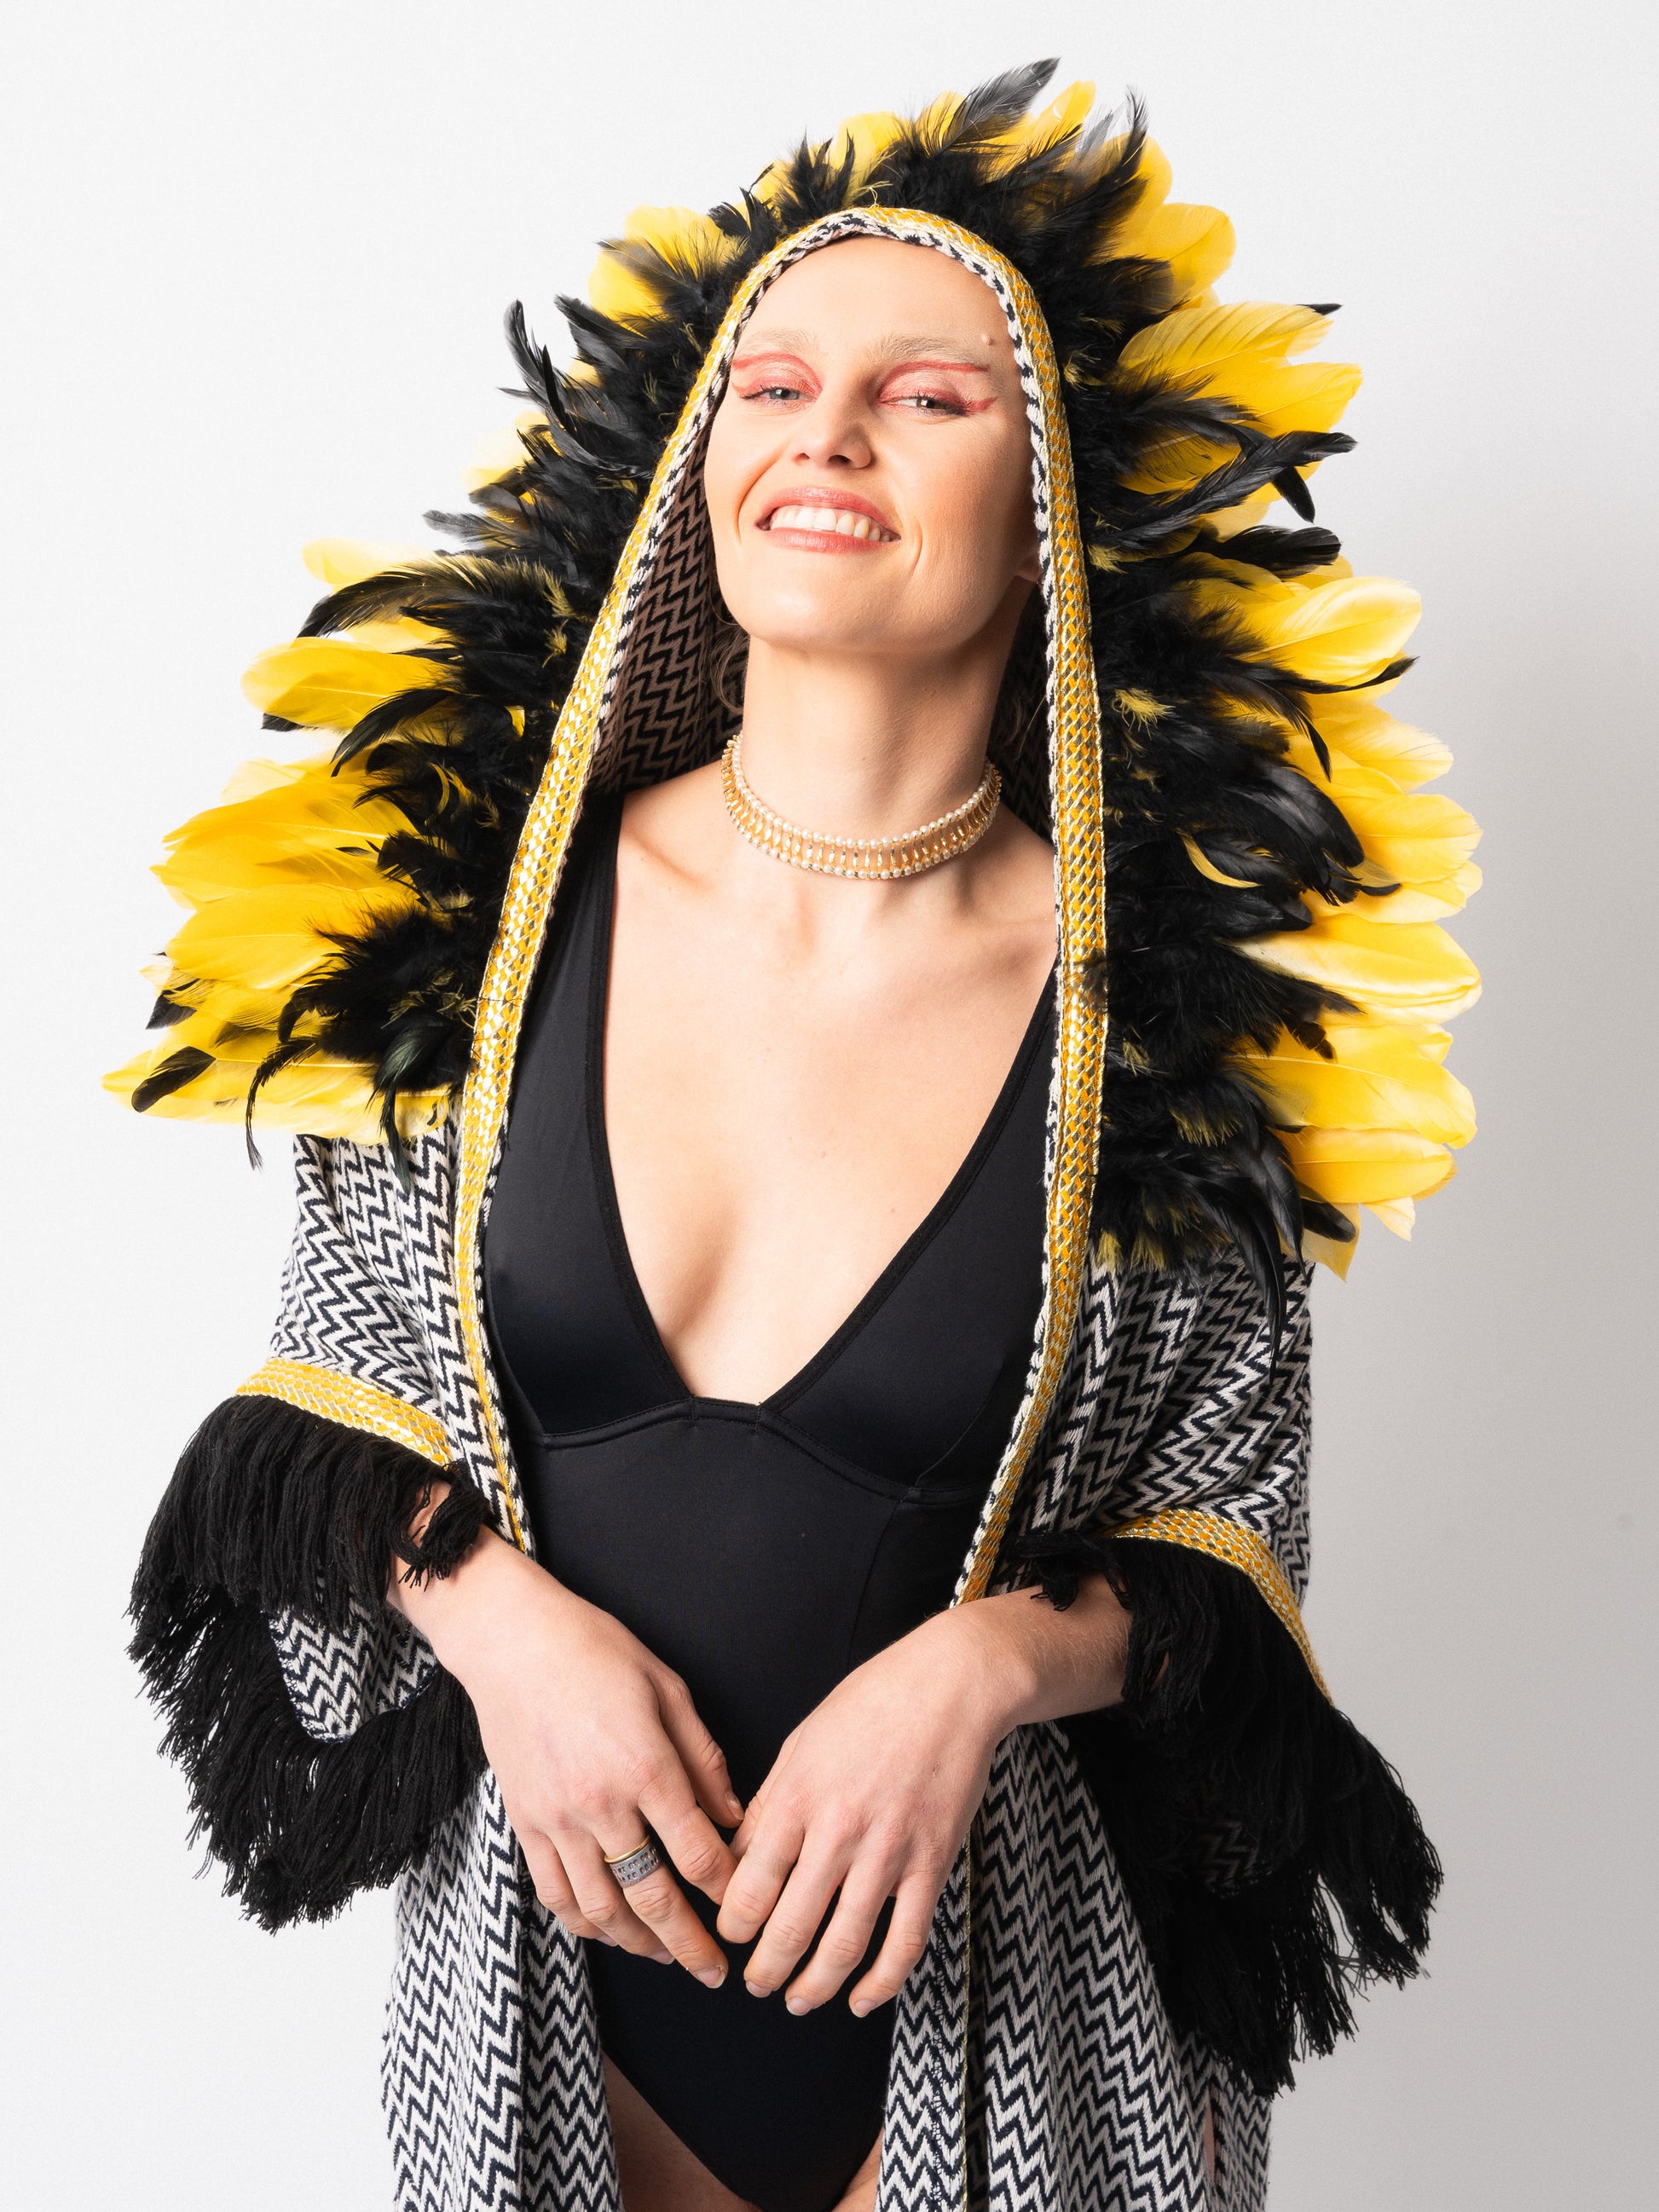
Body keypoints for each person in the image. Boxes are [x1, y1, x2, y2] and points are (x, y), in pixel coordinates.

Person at [113, 61, 1478, 2212]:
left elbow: (1221, 1531)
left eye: (925, 395)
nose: (825, 431)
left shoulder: (1171, 1020)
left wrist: (982, 1668)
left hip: (1020, 2030)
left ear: (1062, 501)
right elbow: (326, 1414)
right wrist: (501, 1626)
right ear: (693, 457)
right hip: (547, 2023)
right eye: (769, 383)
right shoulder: (473, 920)